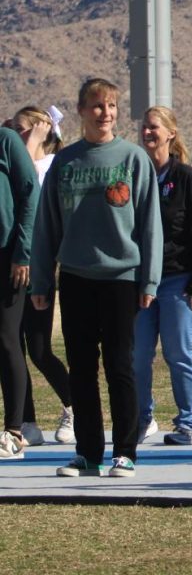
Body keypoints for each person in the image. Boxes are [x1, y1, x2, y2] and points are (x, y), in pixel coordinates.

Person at [30, 78, 162, 477]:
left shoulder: (133, 159)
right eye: (97, 106)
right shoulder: (65, 162)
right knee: (82, 368)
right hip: (75, 278)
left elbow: (149, 224)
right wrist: (41, 281)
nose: (106, 113)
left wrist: (149, 281)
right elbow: (46, 226)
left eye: (111, 106)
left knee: (120, 366)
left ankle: (126, 452)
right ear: (82, 111)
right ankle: (88, 453)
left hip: (122, 278)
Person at [133, 106, 192, 446]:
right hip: (140, 282)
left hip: (179, 279)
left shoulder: (184, 177)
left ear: (170, 133)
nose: (148, 133)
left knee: (178, 352)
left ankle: (188, 423)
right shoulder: (134, 174)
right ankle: (140, 419)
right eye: (144, 127)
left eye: (155, 127)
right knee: (136, 355)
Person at [10, 106, 73, 447]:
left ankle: (73, 407)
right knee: (11, 349)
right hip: (12, 269)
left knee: (38, 349)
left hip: (39, 270)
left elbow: (35, 198)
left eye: (20, 130)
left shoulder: (50, 166)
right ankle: (26, 421)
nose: (14, 137)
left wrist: (33, 142)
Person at [0, 125, 38, 460]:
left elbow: (30, 192)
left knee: (7, 340)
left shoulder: (6, 140)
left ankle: (15, 431)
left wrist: (22, 252)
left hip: (7, 257)